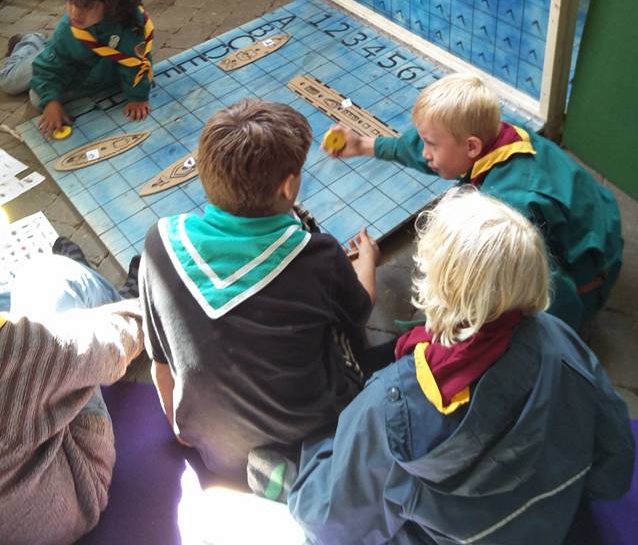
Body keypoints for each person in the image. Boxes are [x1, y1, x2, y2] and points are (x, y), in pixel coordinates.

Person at [288, 189, 635, 545]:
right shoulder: (558, 337)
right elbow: (613, 470)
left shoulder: (389, 406)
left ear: (437, 285)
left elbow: (327, 524)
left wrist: (319, 441)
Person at [139, 99, 380, 485]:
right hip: (314, 428)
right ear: (288, 186)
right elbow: (362, 308)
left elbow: (160, 361)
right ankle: (304, 463)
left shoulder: (159, 243)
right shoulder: (317, 255)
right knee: (348, 329)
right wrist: (367, 260)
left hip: (215, 449)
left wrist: (179, 426)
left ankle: (268, 467)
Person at [323, 73, 622, 332]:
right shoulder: (497, 135)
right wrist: (364, 145)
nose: (425, 153)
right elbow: (428, 151)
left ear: (471, 147)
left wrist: (548, 338)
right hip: (600, 220)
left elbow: (550, 287)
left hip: (589, 276)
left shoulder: (509, 210)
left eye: (431, 144)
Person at [0, 240, 144, 545]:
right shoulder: (10, 350)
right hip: (71, 489)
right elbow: (103, 348)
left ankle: (96, 292)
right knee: (44, 275)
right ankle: (124, 297)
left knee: (13, 302)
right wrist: (148, 308)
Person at [0, 0, 154, 138]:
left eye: (87, 7)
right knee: (12, 84)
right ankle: (32, 41)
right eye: (71, 2)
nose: (75, 14)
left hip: (93, 72)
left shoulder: (132, 22)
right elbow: (48, 69)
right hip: (60, 56)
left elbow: (137, 62)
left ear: (112, 3)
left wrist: (138, 97)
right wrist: (51, 102)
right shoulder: (68, 28)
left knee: (41, 95)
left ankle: (47, 50)